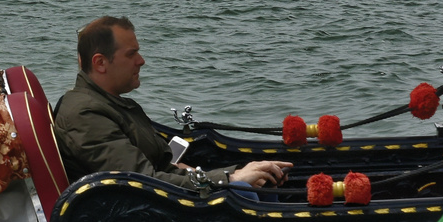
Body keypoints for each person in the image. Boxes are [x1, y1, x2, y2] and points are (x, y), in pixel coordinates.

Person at [54, 17, 290, 190]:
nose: (141, 61)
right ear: (100, 63)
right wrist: (230, 180)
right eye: (131, 54)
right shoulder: (86, 114)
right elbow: (141, 181)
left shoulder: (109, 104)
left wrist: (233, 174)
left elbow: (164, 167)